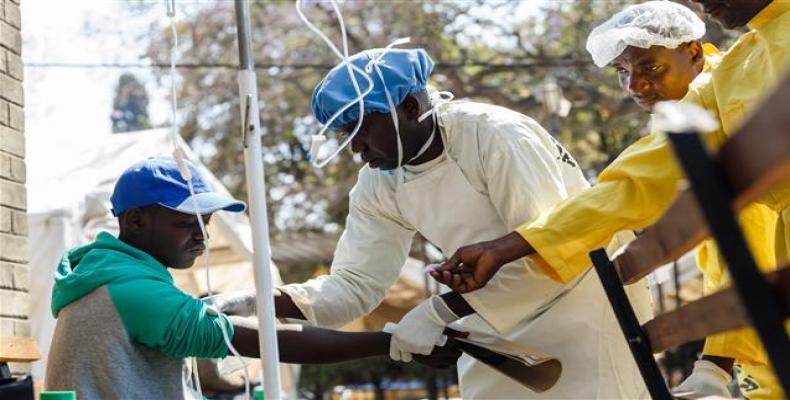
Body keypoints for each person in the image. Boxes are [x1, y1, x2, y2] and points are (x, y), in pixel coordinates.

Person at [433, 0, 789, 398]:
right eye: (623, 72)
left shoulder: (716, 83)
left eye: (649, 68)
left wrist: (715, 364)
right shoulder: (734, 71)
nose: (634, 86)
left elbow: (746, 233)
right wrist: (507, 247)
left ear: (692, 53)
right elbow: (629, 186)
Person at [261, 47, 652, 399]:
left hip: (585, 304)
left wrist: (438, 311)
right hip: (492, 322)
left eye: (362, 128)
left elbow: (553, 250)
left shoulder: (495, 134)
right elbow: (353, 288)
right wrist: (257, 299)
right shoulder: (379, 182)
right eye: (345, 136)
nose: (356, 149)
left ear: (411, 107)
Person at [44, 157, 459, 399]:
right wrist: (393, 343)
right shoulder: (133, 290)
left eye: (206, 222)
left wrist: (236, 300)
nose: (203, 235)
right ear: (135, 220)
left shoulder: (104, 272)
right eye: (187, 222)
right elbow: (272, 342)